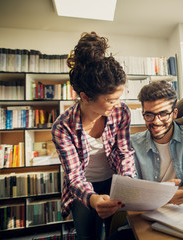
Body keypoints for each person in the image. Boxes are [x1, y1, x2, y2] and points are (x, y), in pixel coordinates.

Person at [51, 31, 136, 240]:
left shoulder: (121, 112)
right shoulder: (62, 127)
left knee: (119, 233)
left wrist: (127, 185)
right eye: (110, 100)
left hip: (115, 182)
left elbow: (125, 153)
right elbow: (74, 176)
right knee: (88, 236)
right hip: (82, 190)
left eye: (119, 98)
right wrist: (93, 199)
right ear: (86, 97)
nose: (117, 104)